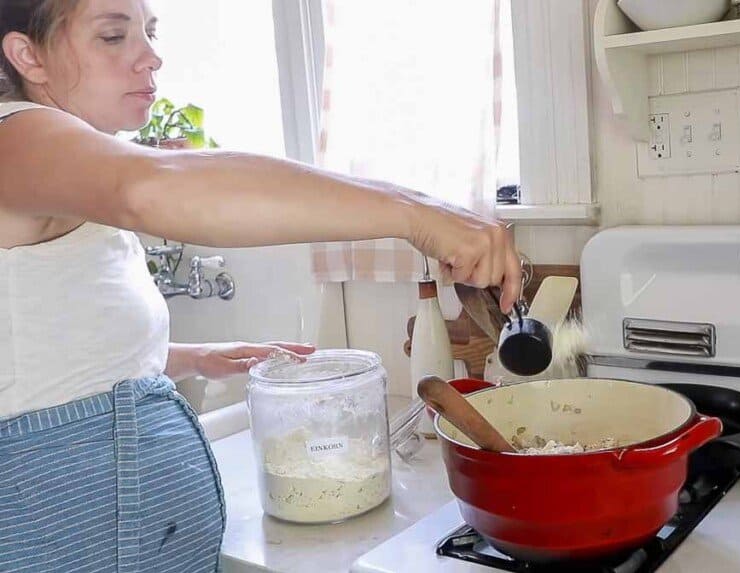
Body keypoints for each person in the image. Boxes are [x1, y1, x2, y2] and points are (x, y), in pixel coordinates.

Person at [0, 0, 521, 571]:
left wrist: (186, 358)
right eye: (112, 36)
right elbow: (149, 189)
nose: (151, 57)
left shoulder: (58, 170)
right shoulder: (15, 135)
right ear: (28, 56)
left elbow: (37, 355)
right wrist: (419, 215)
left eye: (149, 33)